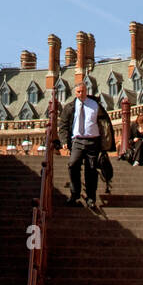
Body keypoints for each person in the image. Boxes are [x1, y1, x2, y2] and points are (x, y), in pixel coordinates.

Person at [54, 79, 114, 208]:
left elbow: (105, 124)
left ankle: (91, 198)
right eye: (78, 92)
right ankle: (75, 194)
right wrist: (64, 141)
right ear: (75, 93)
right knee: (72, 164)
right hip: (77, 140)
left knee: (91, 169)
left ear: (86, 91)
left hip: (93, 140)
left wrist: (106, 143)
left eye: (83, 91)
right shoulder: (70, 107)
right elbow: (63, 125)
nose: (80, 94)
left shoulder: (95, 105)